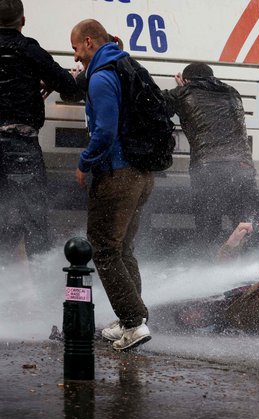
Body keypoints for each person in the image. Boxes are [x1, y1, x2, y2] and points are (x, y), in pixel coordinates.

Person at [70, 19, 154, 351]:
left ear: (89, 42)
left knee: (103, 249)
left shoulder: (102, 77)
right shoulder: (123, 66)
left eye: (76, 48)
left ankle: (133, 323)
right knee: (122, 249)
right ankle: (133, 318)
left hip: (118, 175)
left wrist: (83, 162)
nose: (76, 57)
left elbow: (104, 131)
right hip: (141, 175)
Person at [0, 0, 77, 259]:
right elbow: (71, 89)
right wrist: (45, 84)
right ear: (22, 21)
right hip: (20, 143)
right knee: (33, 219)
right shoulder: (30, 50)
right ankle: (42, 286)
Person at [162, 63, 259, 256]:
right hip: (242, 166)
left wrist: (183, 89)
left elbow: (153, 102)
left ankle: (210, 269)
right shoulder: (232, 92)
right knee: (246, 224)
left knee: (208, 226)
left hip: (209, 169)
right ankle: (252, 270)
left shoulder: (184, 94)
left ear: (187, 80)